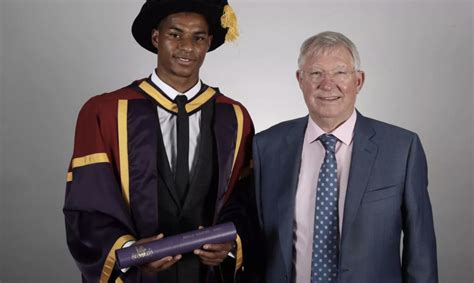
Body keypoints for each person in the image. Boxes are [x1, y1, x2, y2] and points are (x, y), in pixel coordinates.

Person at [63, 1, 253, 282]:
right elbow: (87, 203)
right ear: (156, 38)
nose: (187, 47)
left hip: (207, 275)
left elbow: (248, 200)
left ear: (209, 43)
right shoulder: (104, 111)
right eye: (175, 35)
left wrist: (231, 244)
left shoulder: (234, 117)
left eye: (198, 37)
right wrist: (129, 252)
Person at [251, 31, 438, 282]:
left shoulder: (402, 148)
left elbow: (421, 253)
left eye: (340, 72)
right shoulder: (267, 147)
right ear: (300, 80)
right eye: (316, 73)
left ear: (358, 81)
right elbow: (255, 243)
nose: (327, 85)